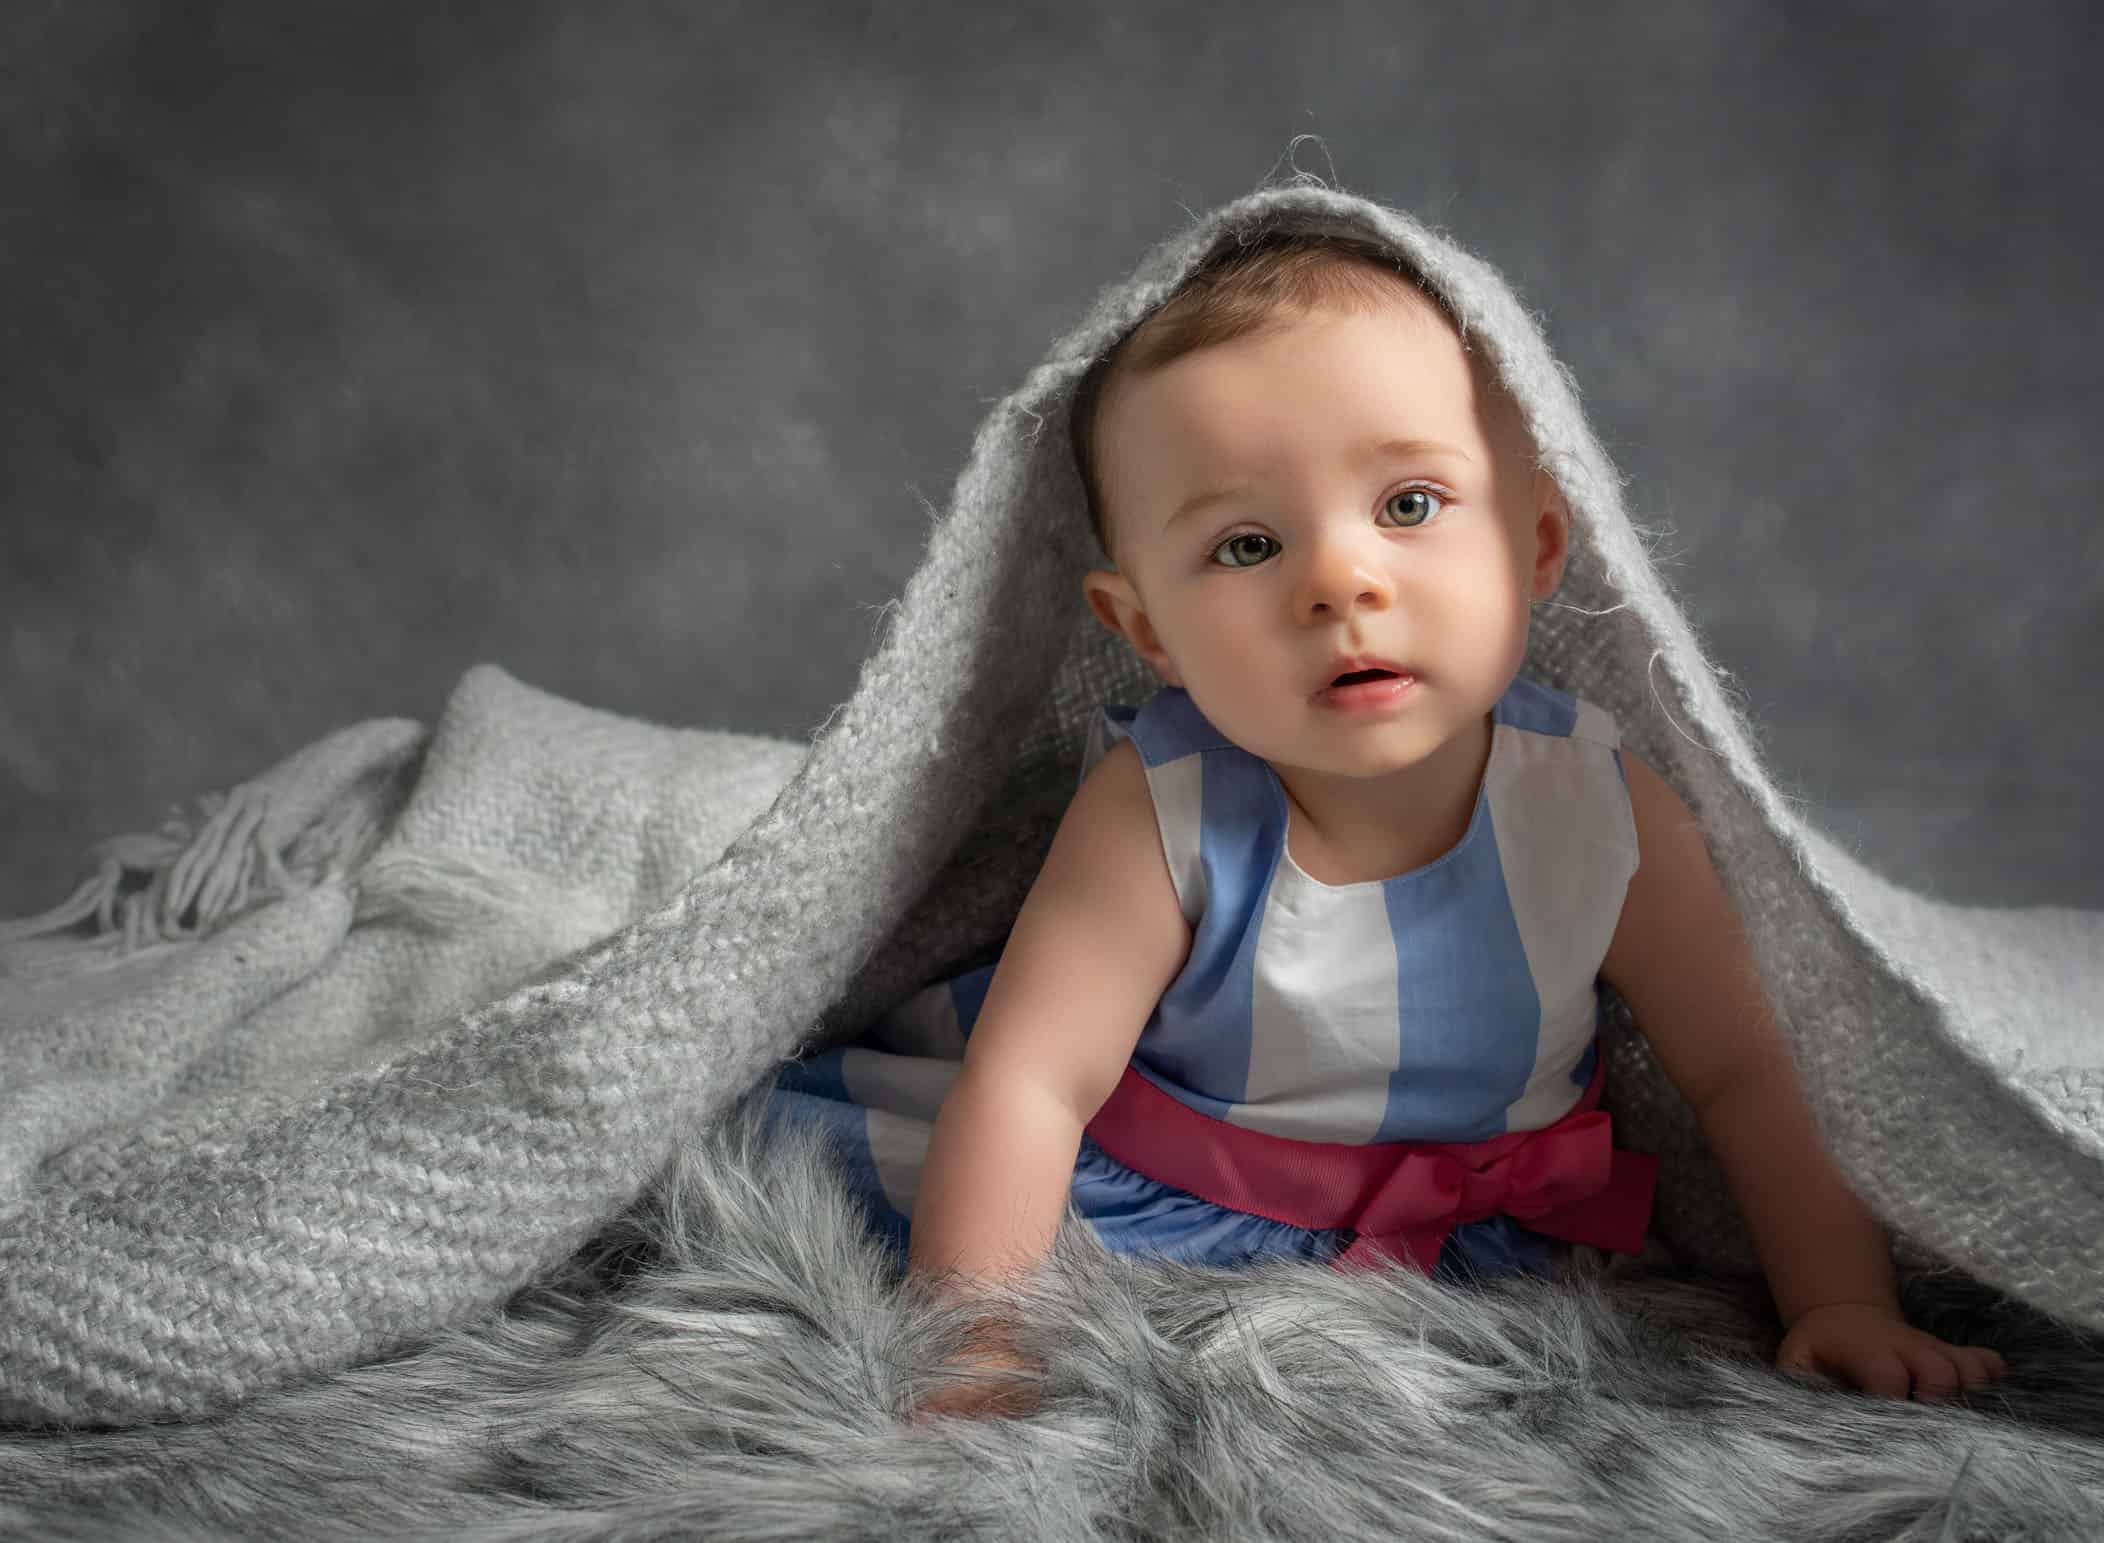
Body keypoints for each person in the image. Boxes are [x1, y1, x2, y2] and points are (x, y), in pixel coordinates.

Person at [768, 229, 2007, 1420]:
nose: (1339, 580)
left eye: (1409, 504)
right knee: (812, 1178)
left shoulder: (1590, 803)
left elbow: (1742, 1070)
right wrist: (984, 1345)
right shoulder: (1164, 805)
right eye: (1247, 542)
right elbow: (1033, 1084)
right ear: (1146, 629)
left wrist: (1843, 1298)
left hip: (1483, 1247)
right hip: (1153, 1203)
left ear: (1534, 546)